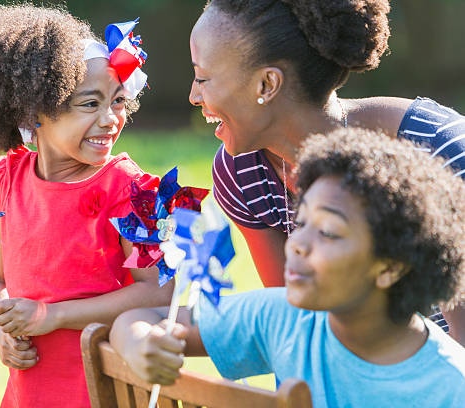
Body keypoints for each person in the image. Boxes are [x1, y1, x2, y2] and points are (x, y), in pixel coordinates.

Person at [109, 128, 465, 408]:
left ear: (390, 267)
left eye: (327, 231)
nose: (295, 242)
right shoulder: (285, 319)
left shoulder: (451, 386)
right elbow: (146, 316)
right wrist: (139, 342)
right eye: (301, 221)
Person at [190, 0, 465, 341]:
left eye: (203, 78)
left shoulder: (439, 149)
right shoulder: (240, 174)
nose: (193, 96)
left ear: (266, 85)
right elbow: (296, 322)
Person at [0, 5, 173, 407]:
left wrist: (51, 317)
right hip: (29, 391)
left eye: (119, 102)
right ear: (35, 113)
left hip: (99, 390)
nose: (111, 119)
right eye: (90, 104)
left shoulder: (130, 189)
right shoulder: (6, 178)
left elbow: (160, 292)